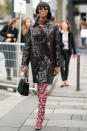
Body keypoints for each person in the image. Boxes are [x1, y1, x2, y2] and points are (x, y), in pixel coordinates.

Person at [22, 2, 61, 130]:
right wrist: (25, 64)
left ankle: (39, 118)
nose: (43, 10)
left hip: (48, 62)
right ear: (38, 11)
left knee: (43, 90)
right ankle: (41, 110)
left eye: (45, 9)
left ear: (48, 11)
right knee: (40, 90)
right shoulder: (31, 27)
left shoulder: (54, 26)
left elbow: (56, 46)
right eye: (41, 8)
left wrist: (57, 64)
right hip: (35, 62)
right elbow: (27, 47)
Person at [60, 20, 76, 87]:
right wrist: (63, 44)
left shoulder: (70, 33)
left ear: (67, 25)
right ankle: (63, 80)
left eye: (64, 24)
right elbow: (57, 43)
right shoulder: (59, 33)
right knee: (61, 66)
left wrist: (74, 52)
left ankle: (66, 80)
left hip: (68, 52)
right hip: (61, 52)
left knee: (66, 66)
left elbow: (73, 43)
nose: (63, 26)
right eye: (62, 25)